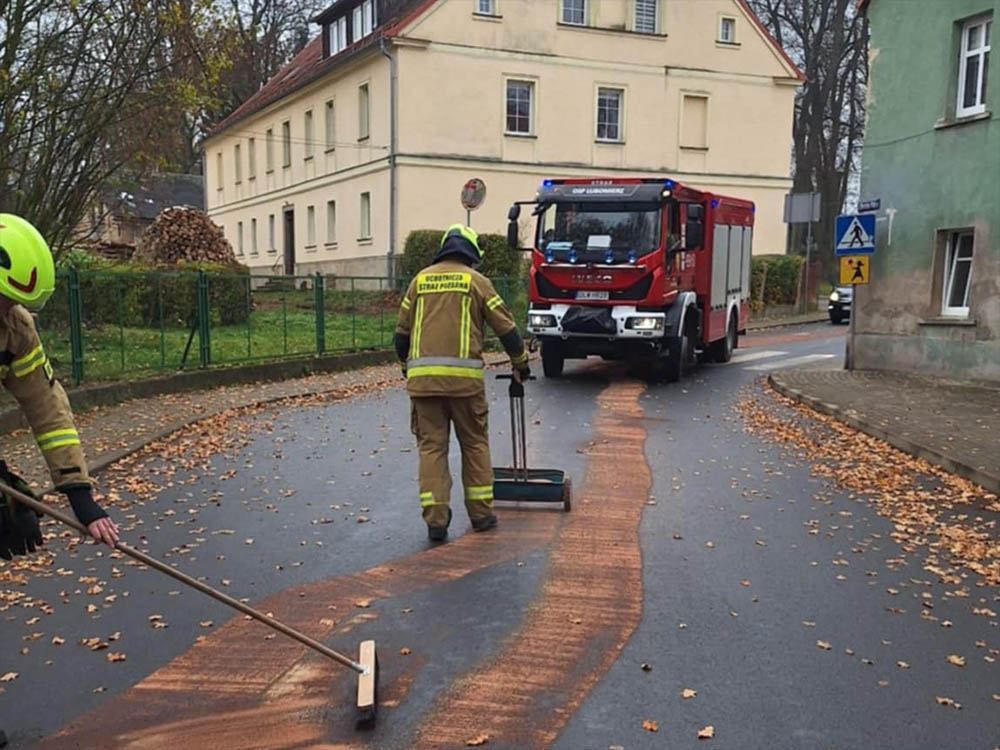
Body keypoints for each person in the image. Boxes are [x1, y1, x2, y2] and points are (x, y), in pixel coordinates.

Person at [394, 225, 530, 541]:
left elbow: (401, 336)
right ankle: (482, 515)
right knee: (474, 444)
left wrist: (406, 369)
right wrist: (520, 363)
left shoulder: (419, 282)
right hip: (465, 387)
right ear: (471, 253)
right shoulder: (477, 282)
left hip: (424, 385)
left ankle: (436, 522)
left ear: (444, 249)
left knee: (431, 449)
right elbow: (506, 328)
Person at [0, 214, 119, 565]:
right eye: (2, 298)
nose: (8, 310)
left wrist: (79, 494)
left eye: (13, 303)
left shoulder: (15, 330)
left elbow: (48, 407)